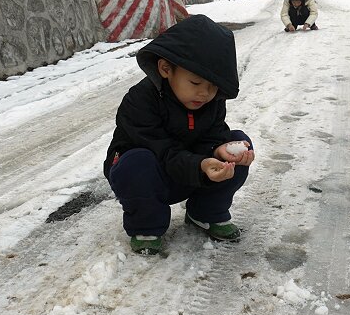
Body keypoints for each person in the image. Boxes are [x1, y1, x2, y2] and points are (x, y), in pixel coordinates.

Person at [103, 14, 255, 255]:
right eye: (195, 83)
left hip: (192, 171)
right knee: (136, 162)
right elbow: (161, 151)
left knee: (237, 142)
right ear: (166, 69)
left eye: (213, 86)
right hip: (151, 176)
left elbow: (213, 134)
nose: (205, 93)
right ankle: (146, 225)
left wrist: (218, 149)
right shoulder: (140, 100)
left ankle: (206, 212)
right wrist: (201, 163)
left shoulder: (211, 100)